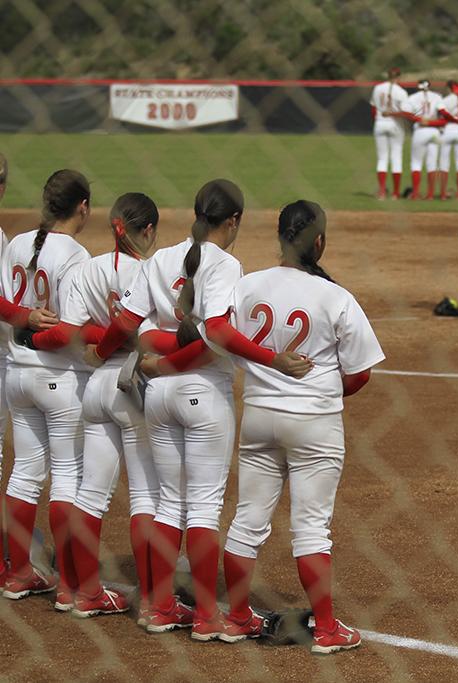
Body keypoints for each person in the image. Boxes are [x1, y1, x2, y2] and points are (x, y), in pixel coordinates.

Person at [88, 179, 311, 641]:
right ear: (233, 222)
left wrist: (160, 356)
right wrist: (274, 360)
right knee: (205, 508)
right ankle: (209, 616)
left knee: (169, 503)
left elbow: (132, 327)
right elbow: (219, 336)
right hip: (202, 396)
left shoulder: (160, 259)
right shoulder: (225, 264)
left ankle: (161, 606)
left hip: (159, 394)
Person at [220, 200, 385, 655]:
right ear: (319, 242)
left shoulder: (247, 286)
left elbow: (221, 339)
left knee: (247, 519)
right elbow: (361, 373)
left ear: (279, 238)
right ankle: (328, 629)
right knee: (311, 526)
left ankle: (235, 616)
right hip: (314, 421)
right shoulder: (336, 296)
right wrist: (327, 392)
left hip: (258, 415)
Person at [24, 193, 164, 620]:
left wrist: (31, 338)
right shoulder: (154, 272)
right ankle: (156, 603)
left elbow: (70, 330)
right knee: (146, 496)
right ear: (150, 230)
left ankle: (77, 591)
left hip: (95, 387)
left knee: (90, 492)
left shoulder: (88, 269)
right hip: (132, 386)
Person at [1, 169, 91, 610]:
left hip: (17, 376)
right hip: (59, 380)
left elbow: (6, 305)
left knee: (24, 473)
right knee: (68, 478)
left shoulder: (17, 242)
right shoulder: (75, 255)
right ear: (83, 207)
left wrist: (23, 326)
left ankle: (18, 574)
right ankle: (69, 585)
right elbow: (72, 330)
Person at [397, 80, 446, 199]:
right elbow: (444, 117)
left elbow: (404, 112)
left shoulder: (413, 97)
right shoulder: (437, 97)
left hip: (420, 131)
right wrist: (431, 121)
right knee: (432, 163)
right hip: (434, 131)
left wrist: (418, 119)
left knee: (416, 163)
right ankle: (430, 195)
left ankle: (415, 193)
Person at [369, 67, 408, 200]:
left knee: (382, 158)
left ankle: (381, 192)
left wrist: (379, 119)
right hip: (395, 124)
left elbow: (374, 109)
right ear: (399, 77)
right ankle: (396, 193)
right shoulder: (402, 92)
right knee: (396, 157)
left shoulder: (378, 88)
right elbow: (405, 112)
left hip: (380, 123)